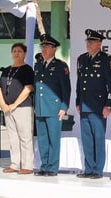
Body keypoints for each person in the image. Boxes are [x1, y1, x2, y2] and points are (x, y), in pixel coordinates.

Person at [75, 29, 111, 179]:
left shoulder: (107, 60)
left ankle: (97, 170)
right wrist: (77, 101)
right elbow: (80, 83)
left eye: (92, 42)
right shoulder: (81, 59)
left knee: (98, 139)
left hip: (99, 106)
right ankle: (89, 168)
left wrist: (109, 105)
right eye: (87, 41)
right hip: (85, 105)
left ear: (99, 44)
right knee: (87, 139)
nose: (88, 44)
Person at [33, 34, 71, 177]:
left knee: (53, 139)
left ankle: (53, 168)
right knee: (42, 139)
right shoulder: (38, 65)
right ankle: (44, 165)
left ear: (54, 49)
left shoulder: (60, 66)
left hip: (54, 108)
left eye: (46, 47)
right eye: (42, 46)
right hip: (41, 107)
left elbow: (66, 88)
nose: (43, 49)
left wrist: (64, 107)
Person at [0, 43, 35, 174]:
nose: (16, 53)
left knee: (25, 137)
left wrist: (14, 104)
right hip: (7, 109)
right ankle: (14, 164)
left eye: (19, 51)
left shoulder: (27, 69)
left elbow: (28, 88)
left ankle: (27, 165)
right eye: (14, 51)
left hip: (22, 107)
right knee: (12, 137)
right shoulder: (6, 70)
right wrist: (3, 104)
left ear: (24, 54)